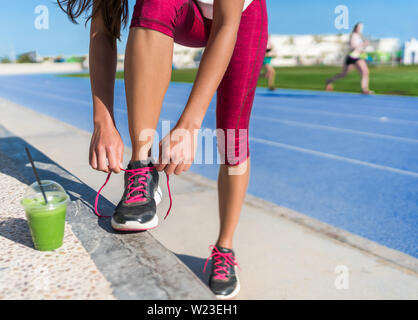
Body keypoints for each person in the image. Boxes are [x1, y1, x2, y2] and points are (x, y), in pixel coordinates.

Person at [57, 0, 267, 299]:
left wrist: (188, 126)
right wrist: (103, 121)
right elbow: (102, 32)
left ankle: (225, 247)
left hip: (239, 17)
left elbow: (225, 25)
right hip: (184, 11)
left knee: (233, 138)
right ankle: (141, 168)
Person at [325, 23, 374, 94]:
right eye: (360, 27)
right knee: (343, 74)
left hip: (358, 57)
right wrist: (363, 44)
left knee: (365, 72)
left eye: (362, 27)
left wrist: (364, 53)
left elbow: (359, 48)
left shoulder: (359, 36)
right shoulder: (353, 35)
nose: (361, 29)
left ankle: (365, 89)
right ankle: (329, 81)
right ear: (356, 28)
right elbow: (353, 47)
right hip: (352, 57)